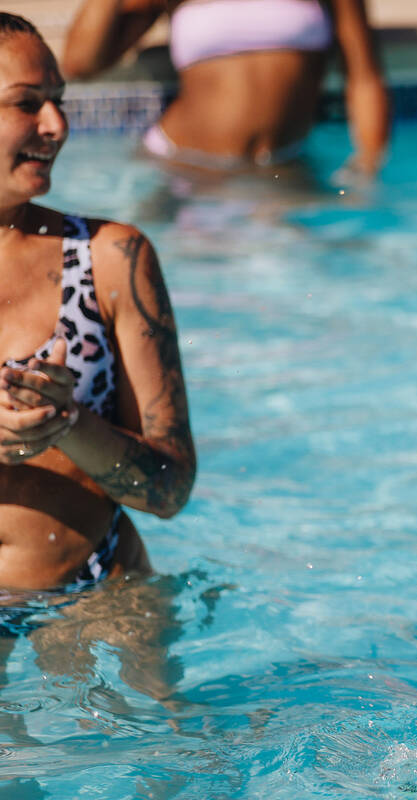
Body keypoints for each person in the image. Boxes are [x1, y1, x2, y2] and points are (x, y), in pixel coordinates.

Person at [0, 10, 194, 700]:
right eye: (29, 103)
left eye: (59, 101)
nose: (57, 125)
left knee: (163, 767)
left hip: (97, 596)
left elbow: (170, 491)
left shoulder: (112, 258)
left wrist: (70, 426)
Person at [61, 0, 390, 174]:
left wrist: (369, 165)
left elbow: (364, 76)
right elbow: (80, 63)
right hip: (182, 167)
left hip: (282, 167)